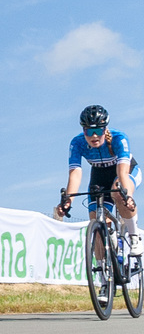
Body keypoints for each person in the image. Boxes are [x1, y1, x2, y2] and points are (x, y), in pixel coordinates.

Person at [56, 105, 140, 247]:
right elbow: (75, 174)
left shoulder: (119, 139)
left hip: (124, 170)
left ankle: (134, 238)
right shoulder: (77, 143)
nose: (94, 136)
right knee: (96, 222)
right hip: (99, 175)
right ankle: (101, 266)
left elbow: (122, 172)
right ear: (84, 131)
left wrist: (128, 196)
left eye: (98, 130)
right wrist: (68, 201)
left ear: (105, 129)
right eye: (90, 131)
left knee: (119, 193)